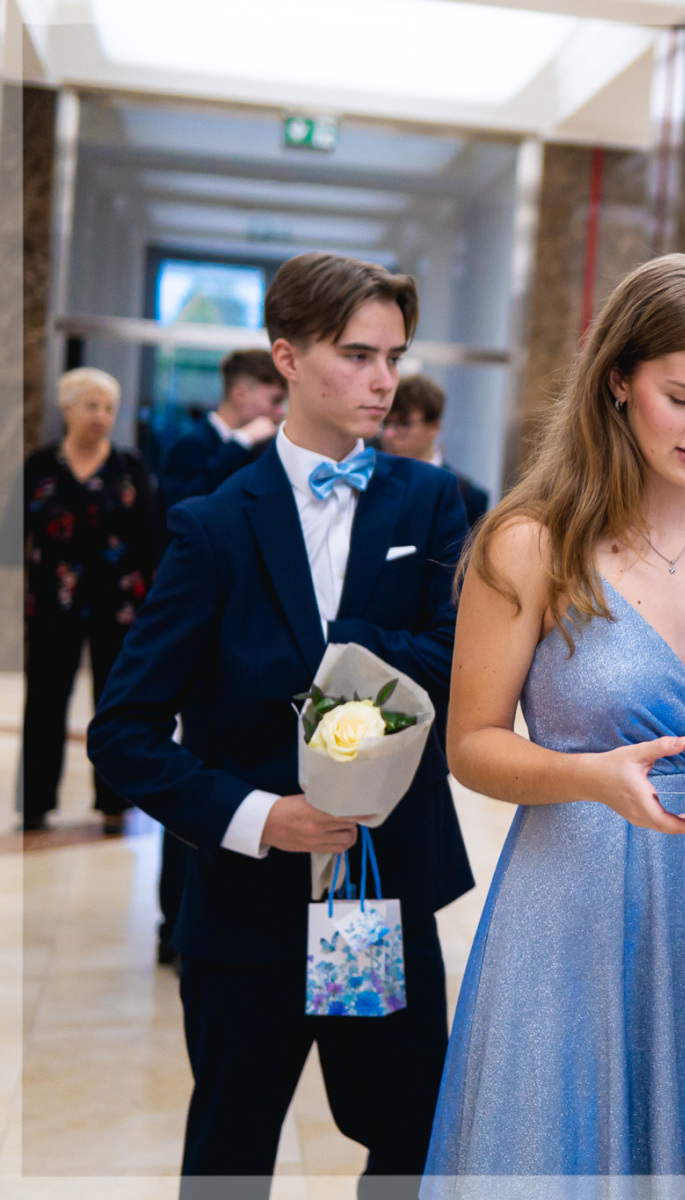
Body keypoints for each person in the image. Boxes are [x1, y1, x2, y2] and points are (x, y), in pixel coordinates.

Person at [88, 251, 475, 1200]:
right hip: (248, 909)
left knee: (407, 1135)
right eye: (358, 355)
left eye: (395, 357)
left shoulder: (433, 503)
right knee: (231, 1145)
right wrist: (264, 818)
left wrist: (346, 643)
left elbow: (459, 659)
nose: (384, 380)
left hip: (378, 895)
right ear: (288, 357)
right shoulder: (213, 524)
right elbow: (123, 730)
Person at [423, 253, 685, 1196]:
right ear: (619, 380)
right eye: (683, 397)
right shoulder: (531, 542)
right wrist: (592, 776)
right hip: (571, 895)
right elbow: (471, 746)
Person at [153, 348, 286, 962]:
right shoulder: (189, 445)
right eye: (272, 396)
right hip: (194, 627)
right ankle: (172, 920)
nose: (277, 409)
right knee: (192, 769)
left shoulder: (268, 445)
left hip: (245, 633)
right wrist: (241, 445)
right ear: (241, 394)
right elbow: (188, 512)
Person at [21, 368, 157, 834]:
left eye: (109, 408)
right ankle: (35, 803)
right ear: (67, 408)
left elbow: (151, 538)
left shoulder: (129, 465)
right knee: (44, 702)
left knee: (115, 704)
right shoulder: (41, 465)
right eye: (91, 405)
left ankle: (115, 804)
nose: (101, 415)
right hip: (52, 603)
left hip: (119, 604)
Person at [158, 349, 286, 511]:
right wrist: (241, 441)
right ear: (241, 395)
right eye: (275, 400)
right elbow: (185, 506)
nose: (280, 411)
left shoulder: (260, 447)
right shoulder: (188, 443)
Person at [380, 374, 490, 529]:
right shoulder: (365, 480)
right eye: (385, 423)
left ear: (433, 426)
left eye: (403, 424)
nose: (389, 434)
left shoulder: (466, 496)